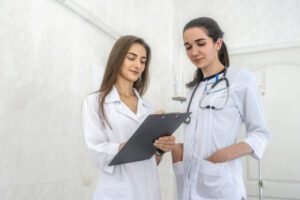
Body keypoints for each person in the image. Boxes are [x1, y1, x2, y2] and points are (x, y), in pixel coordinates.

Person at [171, 17, 271, 200]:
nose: (194, 52)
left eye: (200, 43)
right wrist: (177, 150)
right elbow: (199, 136)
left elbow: (260, 134)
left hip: (221, 185)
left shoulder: (240, 79)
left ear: (218, 43)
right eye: (188, 47)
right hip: (190, 183)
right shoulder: (193, 89)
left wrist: (222, 155)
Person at [82, 35, 175, 200]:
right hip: (117, 192)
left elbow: (152, 160)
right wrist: (133, 144)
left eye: (143, 61)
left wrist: (160, 149)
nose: (138, 65)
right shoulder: (94, 102)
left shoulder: (148, 107)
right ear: (117, 59)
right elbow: (96, 150)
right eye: (131, 58)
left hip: (148, 191)